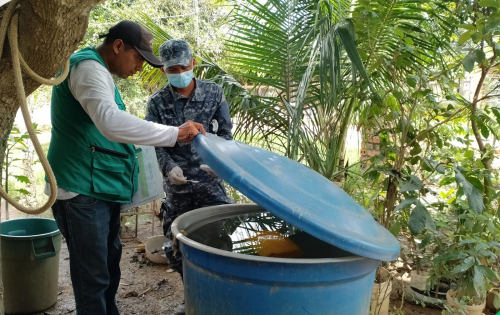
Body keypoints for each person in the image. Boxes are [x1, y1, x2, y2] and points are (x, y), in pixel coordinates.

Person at [45, 21, 206, 315]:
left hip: (99, 185)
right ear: (118, 46)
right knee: (92, 277)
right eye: (138, 58)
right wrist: (175, 133)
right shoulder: (88, 68)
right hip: (80, 186)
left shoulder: (100, 72)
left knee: (107, 267)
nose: (139, 68)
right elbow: (111, 123)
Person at [145, 39, 233, 315]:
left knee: (223, 236)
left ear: (193, 64)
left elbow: (226, 135)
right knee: (175, 243)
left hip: (210, 181)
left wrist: (218, 161)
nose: (179, 72)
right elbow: (156, 143)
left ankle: (223, 296)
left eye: (184, 66)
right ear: (164, 71)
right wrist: (169, 167)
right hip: (178, 185)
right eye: (173, 69)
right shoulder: (157, 103)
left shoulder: (213, 92)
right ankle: (192, 296)